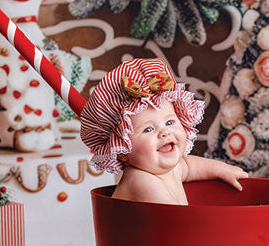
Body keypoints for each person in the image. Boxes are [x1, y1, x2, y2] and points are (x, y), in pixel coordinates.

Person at [80, 58, 248, 205]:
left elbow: (190, 166)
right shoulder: (142, 181)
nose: (164, 132)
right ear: (123, 150)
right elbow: (176, 219)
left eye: (169, 122)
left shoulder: (166, 169)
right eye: (148, 129)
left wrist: (223, 170)